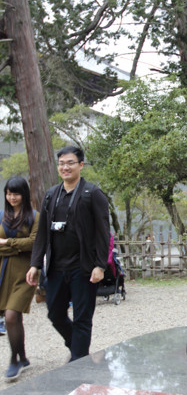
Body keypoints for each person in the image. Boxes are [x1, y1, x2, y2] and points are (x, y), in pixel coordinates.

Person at [26, 146, 110, 362]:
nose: (65, 167)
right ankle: (78, 350)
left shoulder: (93, 194)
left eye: (70, 163)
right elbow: (43, 232)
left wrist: (100, 265)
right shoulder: (51, 195)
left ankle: (77, 360)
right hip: (55, 267)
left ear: (81, 165)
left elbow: (103, 233)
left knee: (82, 318)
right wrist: (35, 263)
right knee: (54, 313)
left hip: (83, 268)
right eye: (62, 163)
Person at [0, 177, 39, 380]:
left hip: (27, 272)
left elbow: (33, 243)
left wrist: (7, 242)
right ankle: (23, 357)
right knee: (14, 318)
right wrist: (16, 244)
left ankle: (14, 360)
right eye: (8, 193)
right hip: (4, 270)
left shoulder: (34, 216)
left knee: (11, 316)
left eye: (16, 193)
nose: (12, 197)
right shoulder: (1, 216)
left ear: (24, 194)